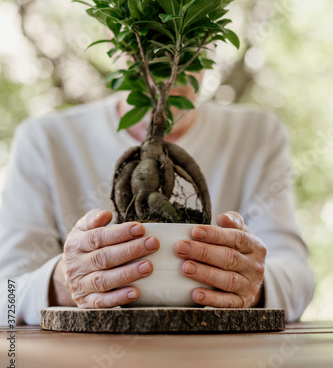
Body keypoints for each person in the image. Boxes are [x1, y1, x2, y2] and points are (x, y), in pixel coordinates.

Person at [0, 82, 315, 325]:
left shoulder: (257, 134)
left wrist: (252, 285)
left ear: (208, 39)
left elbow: (299, 276)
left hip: (216, 364)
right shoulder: (43, 139)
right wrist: (59, 283)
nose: (163, 65)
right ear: (114, 36)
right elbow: (6, 294)